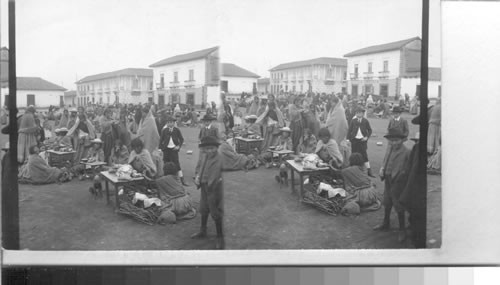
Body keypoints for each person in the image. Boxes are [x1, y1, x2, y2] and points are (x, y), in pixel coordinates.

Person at [374, 128, 410, 242]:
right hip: (388, 178)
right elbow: (386, 159)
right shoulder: (390, 148)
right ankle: (386, 223)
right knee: (387, 201)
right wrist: (382, 168)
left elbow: (407, 168)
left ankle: (402, 229)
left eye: (396, 140)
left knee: (398, 204)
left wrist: (401, 175)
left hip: (398, 181)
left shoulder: (406, 152)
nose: (394, 143)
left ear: (402, 140)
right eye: (392, 140)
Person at [192, 136, 225, 250]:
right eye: (207, 148)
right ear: (204, 149)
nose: (210, 151)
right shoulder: (204, 156)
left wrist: (216, 182)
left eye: (212, 148)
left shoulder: (219, 159)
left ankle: (220, 237)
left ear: (216, 148)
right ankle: (203, 230)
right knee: (203, 208)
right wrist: (196, 176)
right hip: (204, 186)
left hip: (215, 188)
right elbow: (198, 167)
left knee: (215, 211)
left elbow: (218, 175)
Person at [399, 116, 426, 248]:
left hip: (418, 183)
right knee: (412, 207)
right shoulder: (416, 148)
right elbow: (409, 167)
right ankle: (413, 229)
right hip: (412, 181)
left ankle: (417, 235)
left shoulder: (423, 149)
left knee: (418, 208)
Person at [159, 115, 188, 186]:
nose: (169, 124)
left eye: (171, 122)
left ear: (174, 123)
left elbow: (181, 139)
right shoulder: (164, 130)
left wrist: (178, 146)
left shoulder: (177, 130)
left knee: (176, 164)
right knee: (166, 163)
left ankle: (182, 179)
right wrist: (160, 148)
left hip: (174, 149)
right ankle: (166, 180)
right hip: (166, 149)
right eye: (168, 122)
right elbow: (161, 140)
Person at [347, 107, 374, 177]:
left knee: (364, 155)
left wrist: (366, 137)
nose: (359, 114)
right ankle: (352, 169)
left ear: (363, 114)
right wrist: (348, 139)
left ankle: (369, 170)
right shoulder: (353, 121)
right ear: (356, 114)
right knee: (354, 154)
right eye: (357, 113)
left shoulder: (365, 121)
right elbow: (349, 131)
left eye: (361, 113)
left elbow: (370, 130)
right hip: (354, 140)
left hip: (362, 140)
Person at [326, 96, 350, 167]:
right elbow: (330, 118)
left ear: (336, 102)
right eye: (331, 102)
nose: (331, 104)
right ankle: (333, 162)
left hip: (339, 130)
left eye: (332, 102)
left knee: (339, 146)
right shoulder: (333, 109)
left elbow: (341, 121)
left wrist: (329, 123)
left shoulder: (339, 109)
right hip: (333, 130)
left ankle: (340, 163)